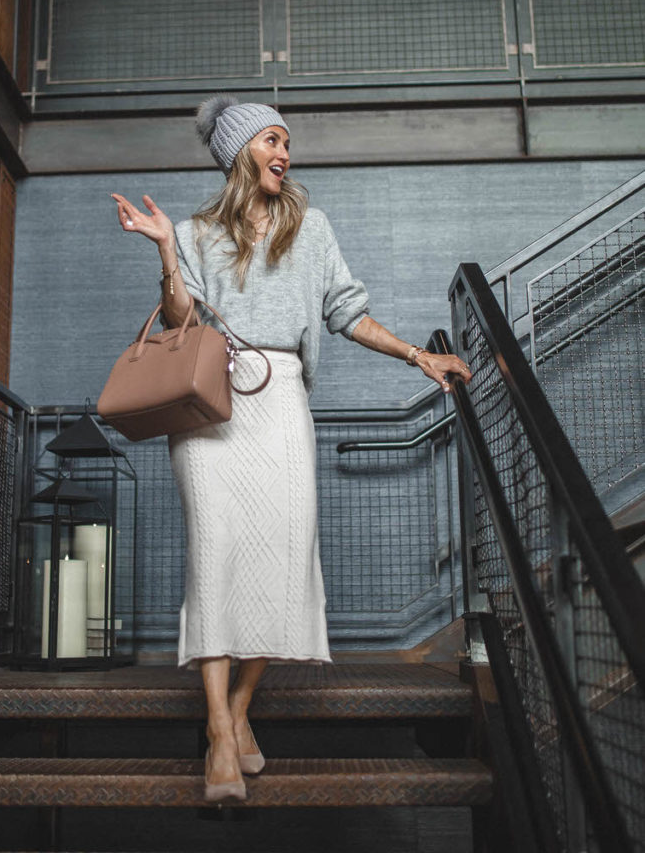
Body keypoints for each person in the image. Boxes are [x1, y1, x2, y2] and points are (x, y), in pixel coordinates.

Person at [110, 95, 471, 803]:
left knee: (280, 559)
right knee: (215, 556)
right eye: (273, 139)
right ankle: (219, 732)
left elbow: (345, 312)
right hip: (209, 404)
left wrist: (413, 357)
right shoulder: (193, 231)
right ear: (241, 150)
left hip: (280, 403)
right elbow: (181, 320)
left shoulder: (311, 229)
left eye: (287, 142)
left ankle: (240, 710)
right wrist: (164, 251)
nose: (285, 153)